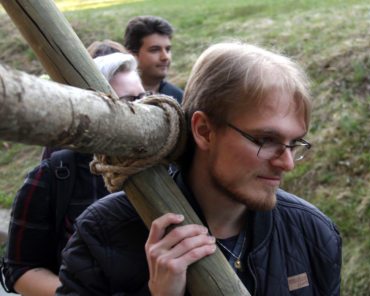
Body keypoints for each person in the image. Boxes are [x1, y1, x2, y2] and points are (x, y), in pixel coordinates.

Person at [56, 42, 342, 296]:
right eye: (266, 140)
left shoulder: (313, 234)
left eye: (294, 143)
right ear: (204, 130)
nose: (287, 163)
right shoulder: (102, 232)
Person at [0, 53, 146, 296]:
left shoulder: (166, 171)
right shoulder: (53, 177)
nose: (141, 111)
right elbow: (19, 269)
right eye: (129, 101)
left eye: (144, 97)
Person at [124, 15, 183, 103]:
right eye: (155, 50)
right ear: (132, 55)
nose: (165, 57)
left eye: (168, 49)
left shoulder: (180, 99)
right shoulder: (118, 97)